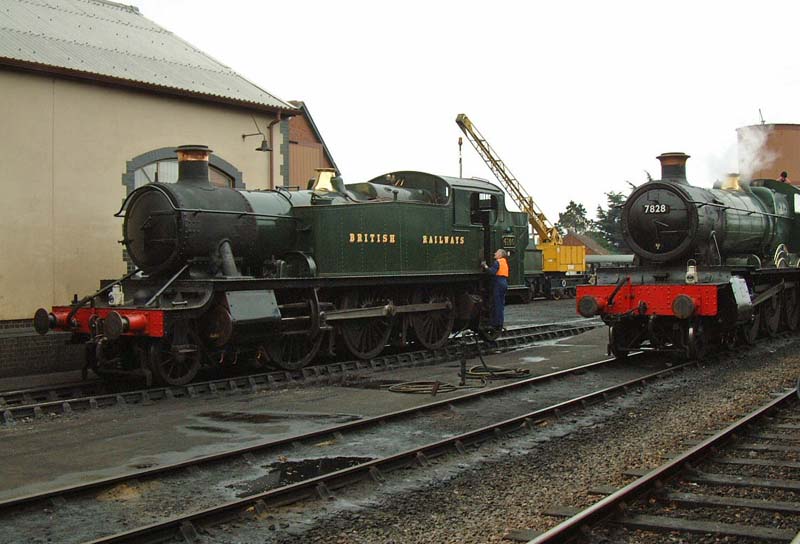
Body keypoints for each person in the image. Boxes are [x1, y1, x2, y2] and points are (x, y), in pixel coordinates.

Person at [481, 248, 509, 331]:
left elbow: (492, 272)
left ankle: (496, 324)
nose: (494, 253)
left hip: (498, 282)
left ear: (500, 255)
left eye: (496, 253)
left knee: (496, 303)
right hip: (504, 282)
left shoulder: (497, 262)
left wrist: (485, 266)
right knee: (500, 304)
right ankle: (500, 323)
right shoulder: (504, 262)